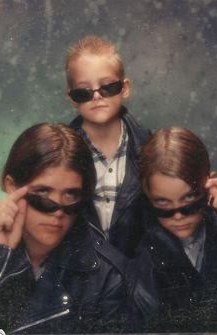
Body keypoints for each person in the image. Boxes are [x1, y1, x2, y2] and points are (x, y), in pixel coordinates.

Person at [0, 123, 128, 334]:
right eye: (43, 192)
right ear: (12, 186)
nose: (58, 211)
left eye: (70, 195)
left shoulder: (108, 278)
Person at [129, 127, 217, 332]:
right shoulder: (143, 264)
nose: (178, 216)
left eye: (189, 198)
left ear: (209, 183)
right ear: (148, 198)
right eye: (163, 204)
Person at [65, 35, 149, 257]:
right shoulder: (57, 156)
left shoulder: (153, 150)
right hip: (80, 279)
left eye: (108, 87)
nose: (96, 97)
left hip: (138, 280)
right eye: (84, 92)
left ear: (125, 88)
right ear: (73, 98)